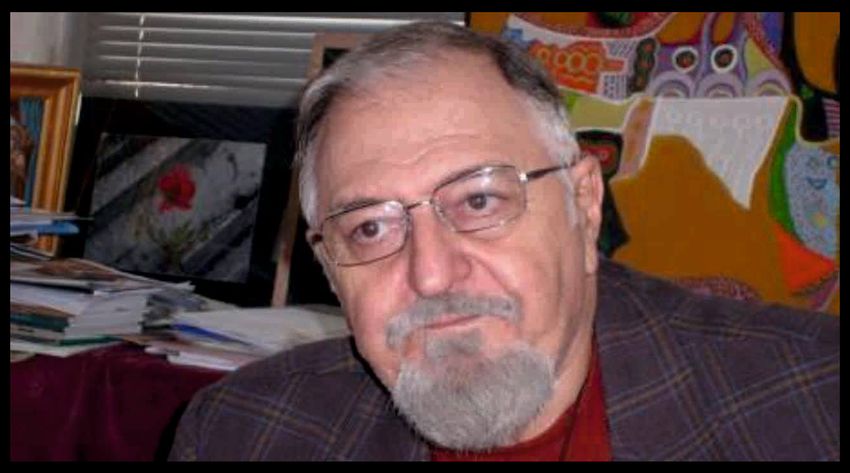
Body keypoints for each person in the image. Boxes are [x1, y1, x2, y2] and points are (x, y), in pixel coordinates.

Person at [169, 22, 839, 461]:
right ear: (329, 267)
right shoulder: (242, 436)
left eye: (479, 200)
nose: (431, 273)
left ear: (583, 204)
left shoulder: (814, 402)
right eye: (370, 227)